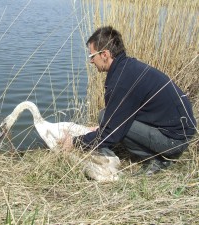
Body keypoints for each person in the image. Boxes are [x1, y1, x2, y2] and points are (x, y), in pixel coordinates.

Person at [60, 26, 197, 175]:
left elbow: (112, 133)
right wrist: (101, 129)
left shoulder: (122, 80)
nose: (91, 61)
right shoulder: (127, 67)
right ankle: (160, 151)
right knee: (104, 116)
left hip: (174, 140)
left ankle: (159, 158)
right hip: (180, 130)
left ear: (104, 54)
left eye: (92, 56)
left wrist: (75, 142)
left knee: (113, 124)